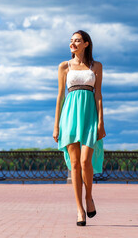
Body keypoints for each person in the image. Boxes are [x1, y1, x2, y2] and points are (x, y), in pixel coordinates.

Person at [53, 30, 106, 226]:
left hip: (89, 115)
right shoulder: (64, 66)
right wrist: (56, 125)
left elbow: (98, 95)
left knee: (85, 162)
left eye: (77, 41)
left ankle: (89, 197)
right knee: (74, 164)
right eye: (71, 41)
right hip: (69, 116)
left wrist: (101, 121)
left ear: (86, 44)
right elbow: (60, 96)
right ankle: (79, 209)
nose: (72, 44)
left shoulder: (96, 66)